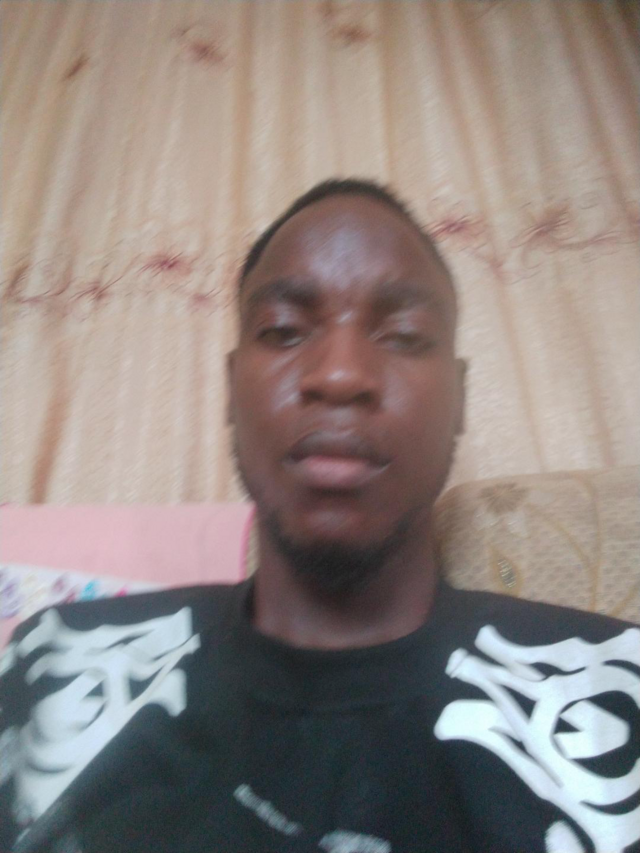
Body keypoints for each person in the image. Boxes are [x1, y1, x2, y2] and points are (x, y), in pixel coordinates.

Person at [1, 180, 638, 853]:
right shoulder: (60, 665)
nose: (340, 375)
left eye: (404, 335)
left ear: (459, 401)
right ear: (230, 390)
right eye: (282, 330)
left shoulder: (615, 689)